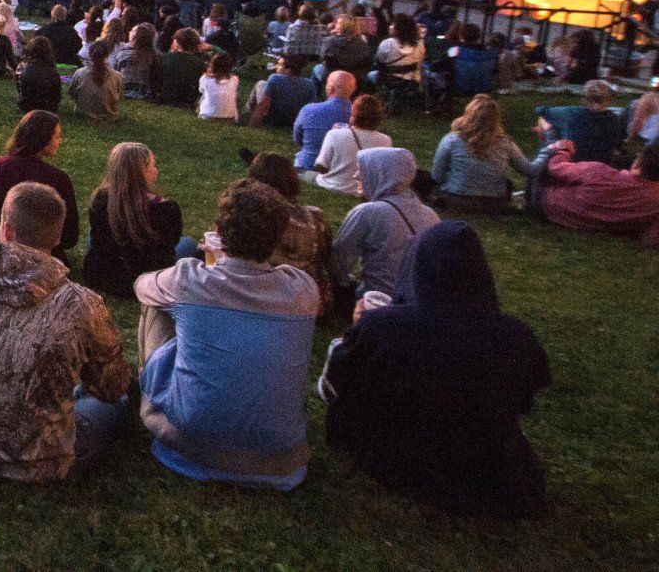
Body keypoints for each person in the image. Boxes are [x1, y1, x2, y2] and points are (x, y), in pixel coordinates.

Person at [321, 221, 551, 517]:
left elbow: (338, 385)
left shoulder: (384, 327)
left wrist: (356, 336)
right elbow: (520, 404)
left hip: (400, 459)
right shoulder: (516, 336)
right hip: (492, 473)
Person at [0, 182, 133, 482]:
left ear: (6, 229)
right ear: (56, 236)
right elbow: (112, 387)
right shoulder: (84, 305)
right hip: (40, 463)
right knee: (125, 398)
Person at [134, 178, 321, 490]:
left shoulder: (188, 278)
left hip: (189, 444)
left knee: (156, 304)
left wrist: (211, 269)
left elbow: (142, 285)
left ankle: (149, 391)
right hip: (281, 458)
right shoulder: (303, 291)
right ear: (275, 239)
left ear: (218, 230)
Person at [232, 152, 337, 317]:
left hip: (265, 300)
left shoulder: (249, 217)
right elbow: (326, 257)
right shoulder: (315, 217)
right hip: (313, 302)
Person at [333, 147, 439, 299]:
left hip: (377, 301)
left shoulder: (367, 212)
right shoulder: (431, 214)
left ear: (381, 173)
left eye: (362, 169)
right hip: (418, 302)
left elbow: (338, 265)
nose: (356, 176)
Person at [82, 142, 184, 298]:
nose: (156, 170)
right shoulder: (166, 208)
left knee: (92, 233)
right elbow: (170, 245)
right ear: (141, 172)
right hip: (146, 282)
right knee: (188, 244)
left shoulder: (100, 199)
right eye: (152, 165)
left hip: (101, 277)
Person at [0, 110, 78, 259]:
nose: (60, 141)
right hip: (39, 255)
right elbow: (69, 237)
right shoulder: (57, 179)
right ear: (43, 139)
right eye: (57, 136)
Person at [535, 140, 659, 246]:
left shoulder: (599, 172)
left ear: (637, 164)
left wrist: (563, 150)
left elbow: (555, 168)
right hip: (584, 224)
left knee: (551, 144)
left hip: (545, 203)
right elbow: (649, 239)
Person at [431, 93, 530, 214]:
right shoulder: (506, 143)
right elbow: (527, 169)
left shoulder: (451, 140)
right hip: (495, 204)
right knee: (507, 183)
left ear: (468, 115)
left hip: (457, 200)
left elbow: (436, 175)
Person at [537, 80, 627, 166]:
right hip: (603, 168)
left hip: (574, 166)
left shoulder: (572, 113)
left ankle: (540, 161)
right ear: (609, 101)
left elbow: (541, 110)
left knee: (546, 123)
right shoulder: (615, 119)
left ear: (584, 100)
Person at [315, 92, 390, 196]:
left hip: (331, 186)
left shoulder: (334, 133)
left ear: (353, 113)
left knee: (302, 172)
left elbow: (321, 167)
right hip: (364, 191)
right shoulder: (386, 140)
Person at [293, 70, 358, 179]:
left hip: (308, 169)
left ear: (331, 88)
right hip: (342, 174)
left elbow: (297, 138)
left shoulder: (308, 110)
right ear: (352, 90)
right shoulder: (359, 116)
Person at [248, 53, 318, 130]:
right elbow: (312, 110)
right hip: (293, 124)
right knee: (262, 84)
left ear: (288, 68)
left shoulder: (275, 79)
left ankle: (245, 115)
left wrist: (252, 126)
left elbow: (262, 105)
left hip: (272, 121)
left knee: (260, 84)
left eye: (279, 64)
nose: (276, 67)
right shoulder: (310, 84)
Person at [67, 38, 122, 122]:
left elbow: (72, 92)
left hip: (84, 112)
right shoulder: (117, 76)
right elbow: (119, 96)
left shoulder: (79, 73)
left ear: (89, 54)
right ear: (107, 54)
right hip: (109, 115)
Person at [154, 27, 208, 107]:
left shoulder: (164, 58)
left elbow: (156, 81)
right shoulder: (201, 64)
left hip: (166, 99)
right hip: (189, 101)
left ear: (177, 42)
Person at [14, 35, 62, 114]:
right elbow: (57, 95)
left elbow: (21, 89)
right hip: (50, 107)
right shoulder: (53, 73)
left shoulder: (23, 68)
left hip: (27, 106)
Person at [197, 49, 239, 121]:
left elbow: (201, 91)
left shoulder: (205, 78)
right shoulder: (235, 79)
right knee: (235, 95)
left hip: (207, 116)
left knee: (204, 96)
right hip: (229, 118)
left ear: (212, 65)